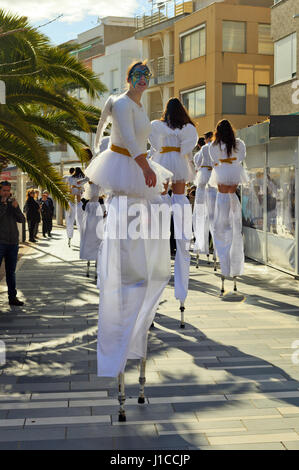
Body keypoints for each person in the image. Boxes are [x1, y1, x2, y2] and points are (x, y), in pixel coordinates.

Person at [84, 60, 172, 382]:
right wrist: (146, 167)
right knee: (125, 251)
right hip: (125, 170)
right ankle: (120, 333)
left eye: (146, 77)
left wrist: (153, 168)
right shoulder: (121, 103)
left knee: (147, 252)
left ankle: (139, 315)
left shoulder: (139, 108)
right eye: (137, 76)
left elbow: (144, 143)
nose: (142, 81)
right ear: (127, 78)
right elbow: (132, 144)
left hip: (137, 176)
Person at [149, 97, 198, 309]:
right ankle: (180, 217)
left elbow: (154, 143)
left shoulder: (158, 126)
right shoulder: (187, 128)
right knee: (180, 196)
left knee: (161, 195)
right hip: (178, 161)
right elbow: (188, 146)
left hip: (163, 160)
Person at [209, 119, 248, 283]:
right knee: (235, 227)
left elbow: (213, 159)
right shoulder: (238, 144)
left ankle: (224, 263)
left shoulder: (214, 145)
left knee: (220, 226)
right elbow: (242, 156)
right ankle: (235, 265)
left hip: (221, 175)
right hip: (234, 174)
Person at [0, 181, 25, 306]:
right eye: (4, 190)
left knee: (11, 272)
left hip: (13, 243)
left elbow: (22, 219)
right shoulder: (2, 203)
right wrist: (3, 204)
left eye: (8, 190)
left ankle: (12, 297)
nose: (6, 192)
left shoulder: (13, 203)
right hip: (1, 242)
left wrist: (16, 208)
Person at [193, 132, 217, 256]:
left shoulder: (204, 149)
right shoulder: (217, 148)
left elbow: (196, 162)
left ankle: (201, 245)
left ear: (207, 139)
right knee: (213, 214)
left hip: (203, 180)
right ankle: (215, 246)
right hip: (213, 180)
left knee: (200, 213)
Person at [63, 167, 88, 245]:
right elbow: (88, 179)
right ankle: (82, 237)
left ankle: (69, 236)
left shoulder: (70, 178)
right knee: (80, 220)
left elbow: (65, 179)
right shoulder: (82, 178)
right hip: (79, 199)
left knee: (70, 219)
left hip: (72, 199)